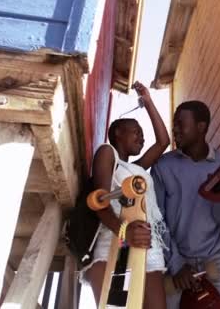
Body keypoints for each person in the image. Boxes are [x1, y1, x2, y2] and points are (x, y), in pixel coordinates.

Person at [84, 82, 170, 309]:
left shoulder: (137, 168)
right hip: (114, 243)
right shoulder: (107, 153)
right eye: (136, 132)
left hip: (146, 244)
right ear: (117, 133)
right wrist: (124, 231)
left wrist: (148, 102)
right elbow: (99, 200)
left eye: (142, 135)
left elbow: (163, 142)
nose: (142, 138)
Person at [151, 100, 220, 309]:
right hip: (175, 263)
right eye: (174, 124)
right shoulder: (163, 166)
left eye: (180, 123)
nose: (174, 129)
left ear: (201, 127)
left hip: (215, 258)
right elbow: (156, 221)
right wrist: (176, 264)